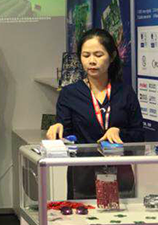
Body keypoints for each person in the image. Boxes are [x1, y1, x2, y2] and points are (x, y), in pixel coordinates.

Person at [47, 28, 144, 199]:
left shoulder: (125, 92)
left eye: (98, 55)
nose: (92, 61)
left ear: (111, 57)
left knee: (122, 215)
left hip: (120, 174)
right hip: (82, 176)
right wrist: (57, 129)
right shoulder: (70, 94)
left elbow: (139, 135)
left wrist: (119, 132)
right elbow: (66, 136)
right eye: (86, 55)